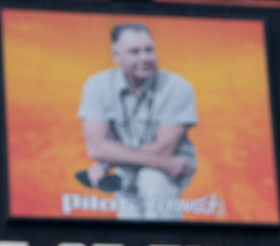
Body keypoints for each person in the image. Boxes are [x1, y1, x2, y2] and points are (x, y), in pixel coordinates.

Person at [76, 22, 197, 221]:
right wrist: (107, 160)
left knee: (152, 179)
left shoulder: (177, 87)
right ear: (116, 54)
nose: (145, 58)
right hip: (143, 164)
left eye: (149, 50)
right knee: (130, 220)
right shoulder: (96, 85)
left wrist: (108, 160)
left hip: (173, 164)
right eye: (135, 52)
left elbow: (165, 149)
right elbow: (97, 148)